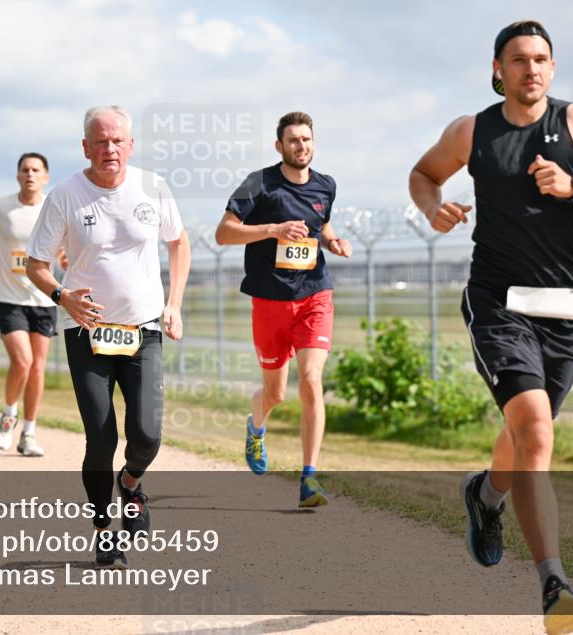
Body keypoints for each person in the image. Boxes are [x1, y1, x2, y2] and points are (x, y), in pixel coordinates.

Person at [408, 20, 573, 634]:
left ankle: (486, 495)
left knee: (524, 437)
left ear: (553, 67)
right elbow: (423, 174)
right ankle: (552, 582)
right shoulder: (472, 131)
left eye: (541, 59)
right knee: (535, 429)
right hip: (497, 303)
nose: (531, 70)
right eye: (519, 61)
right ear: (498, 68)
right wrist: (435, 209)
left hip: (565, 310)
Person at [27, 106, 190, 568]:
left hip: (143, 327)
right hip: (86, 332)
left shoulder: (153, 187)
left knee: (147, 434)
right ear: (85, 147)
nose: (110, 149)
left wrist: (173, 303)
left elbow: (178, 243)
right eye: (100, 141)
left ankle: (132, 483)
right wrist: (63, 297)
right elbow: (36, 264)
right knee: (100, 439)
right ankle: (103, 531)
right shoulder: (64, 195)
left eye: (117, 140)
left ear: (131, 145)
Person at [214, 111, 352, 508]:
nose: (301, 146)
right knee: (274, 393)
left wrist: (333, 240)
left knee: (310, 380)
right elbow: (224, 232)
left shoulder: (326, 185)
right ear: (279, 146)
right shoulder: (260, 183)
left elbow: (321, 224)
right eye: (293, 140)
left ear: (314, 142)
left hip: (314, 295)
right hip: (270, 300)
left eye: (306, 139)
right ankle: (256, 427)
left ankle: (310, 478)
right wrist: (273, 230)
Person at [0, 152, 62, 457]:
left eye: (36, 170)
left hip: (43, 297)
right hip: (8, 296)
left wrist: (64, 258)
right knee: (23, 361)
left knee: (38, 368)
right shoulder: (0, 206)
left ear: (46, 177)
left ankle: (28, 433)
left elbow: (63, 244)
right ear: (18, 176)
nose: (30, 174)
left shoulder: (52, 207)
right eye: (25, 170)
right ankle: (8, 416)